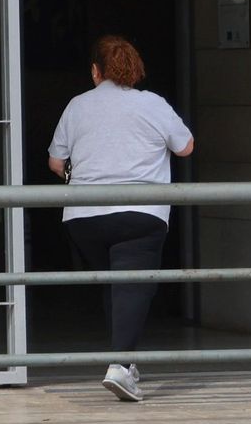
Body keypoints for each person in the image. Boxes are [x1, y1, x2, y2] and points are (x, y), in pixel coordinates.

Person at [46, 35, 193, 403]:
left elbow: (55, 161)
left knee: (118, 286)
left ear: (95, 71)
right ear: (134, 69)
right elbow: (186, 146)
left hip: (83, 217)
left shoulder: (77, 105)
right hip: (140, 214)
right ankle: (119, 367)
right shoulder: (152, 104)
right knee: (131, 286)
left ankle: (125, 364)